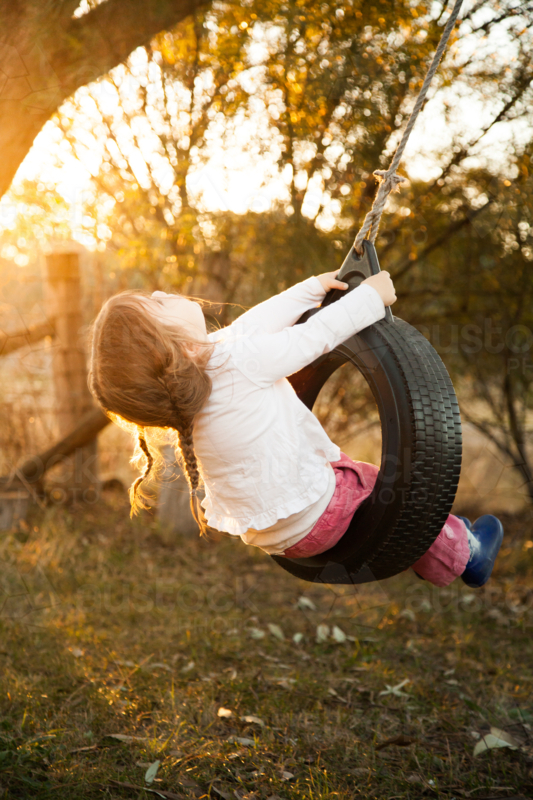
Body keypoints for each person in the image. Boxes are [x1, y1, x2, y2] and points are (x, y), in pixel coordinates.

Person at [88, 268, 503, 589]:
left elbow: (252, 325)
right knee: (394, 498)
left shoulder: (195, 383)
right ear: (182, 347)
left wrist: (313, 289)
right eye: (155, 305)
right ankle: (467, 554)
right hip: (319, 515)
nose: (160, 293)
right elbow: (313, 337)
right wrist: (371, 298)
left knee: (360, 485)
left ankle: (442, 544)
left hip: (284, 538)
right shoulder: (237, 362)